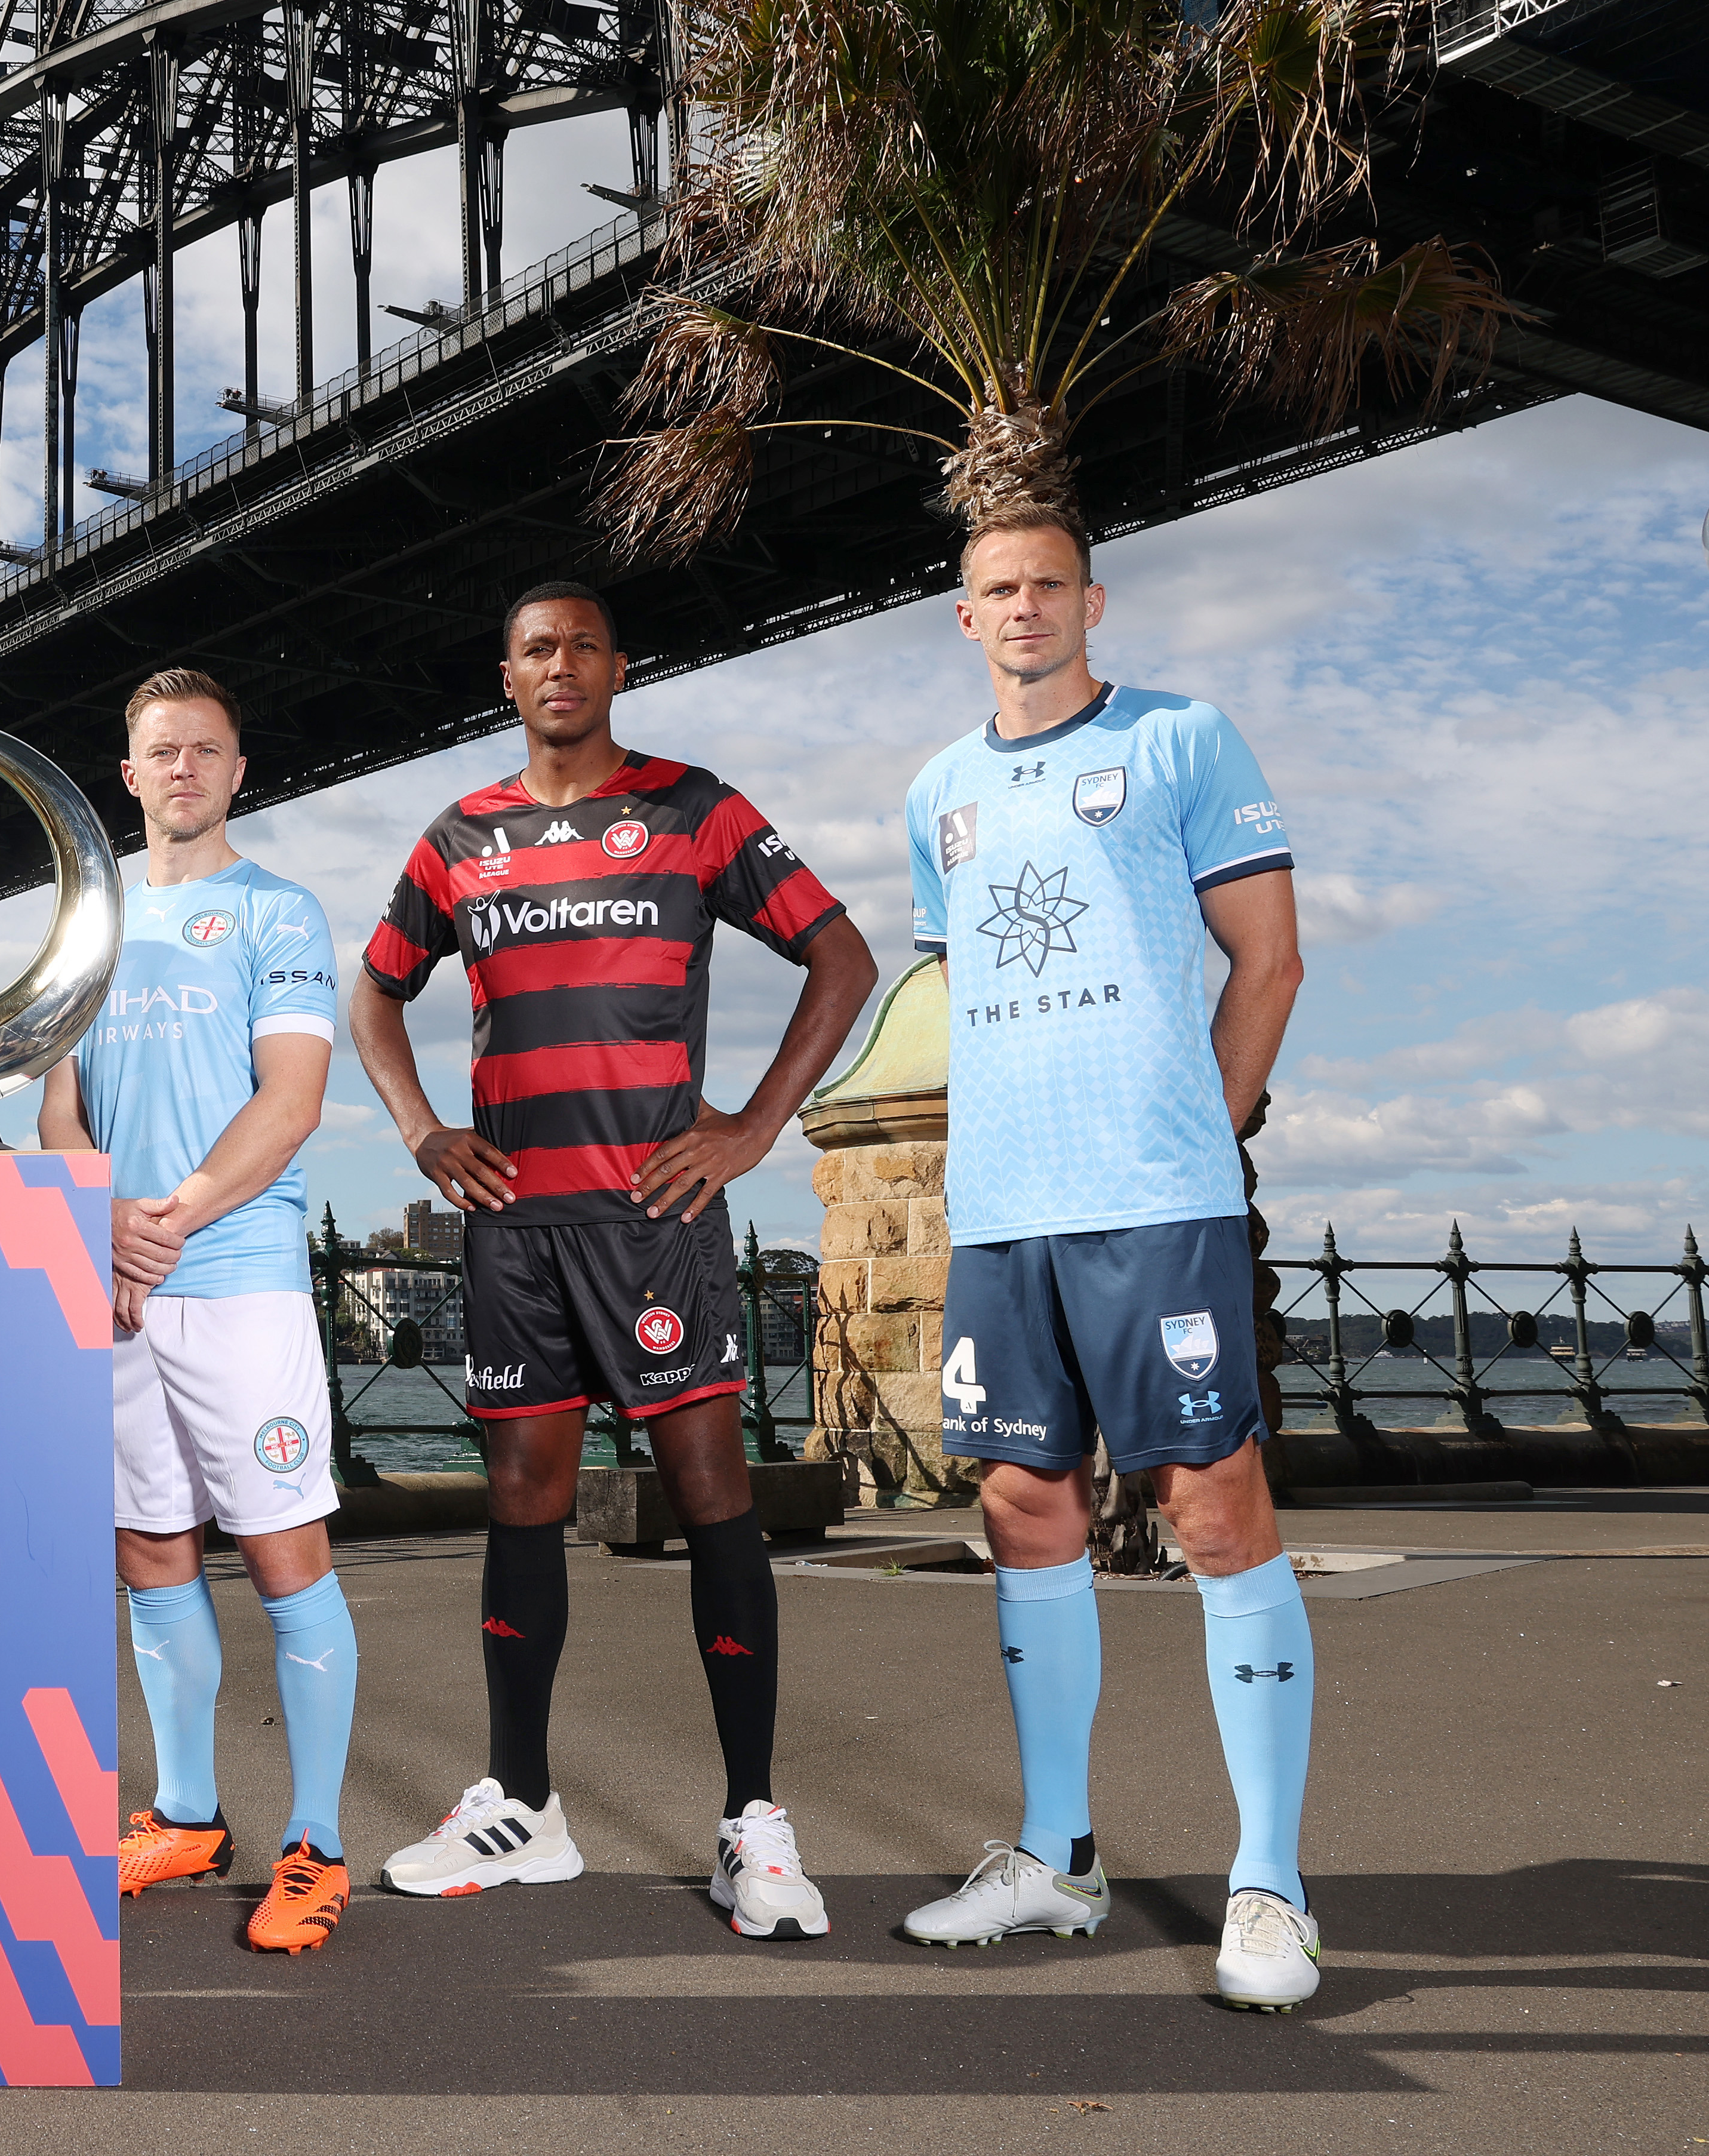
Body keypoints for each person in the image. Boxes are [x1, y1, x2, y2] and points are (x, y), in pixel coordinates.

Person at [349, 582, 875, 1939]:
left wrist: (753, 1127)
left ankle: (752, 1823)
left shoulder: (695, 808)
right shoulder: (457, 837)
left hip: (654, 1216)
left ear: (617, 667)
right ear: (507, 676)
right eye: (536, 647)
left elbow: (840, 956)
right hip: (515, 1224)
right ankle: (521, 1805)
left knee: (710, 1493)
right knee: (523, 1499)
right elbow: (373, 991)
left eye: (584, 644)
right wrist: (420, 1131)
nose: (561, 664)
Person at [890, 509, 1317, 2010]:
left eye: (1046, 584)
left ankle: (1267, 1884)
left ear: (1090, 600)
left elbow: (1267, 957)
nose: (1023, 607)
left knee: (1209, 1503)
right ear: (964, 618)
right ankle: (1055, 1858)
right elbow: (967, 987)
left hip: (1151, 1196)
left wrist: (1203, 1127)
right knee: (1022, 1503)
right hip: (1003, 1206)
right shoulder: (933, 792)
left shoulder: (1180, 740)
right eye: (995, 590)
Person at [36, 669, 355, 1952]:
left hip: (234, 1279)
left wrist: (168, 1216)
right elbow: (58, 1106)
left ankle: (317, 1843)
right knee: (149, 1547)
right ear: (128, 775)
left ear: (237, 771)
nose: (182, 769)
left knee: (284, 1554)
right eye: (160, 751)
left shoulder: (278, 910)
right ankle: (183, 1814)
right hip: (115, 1278)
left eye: (205, 751)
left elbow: (291, 1097)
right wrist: (97, 1210)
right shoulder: (85, 919)